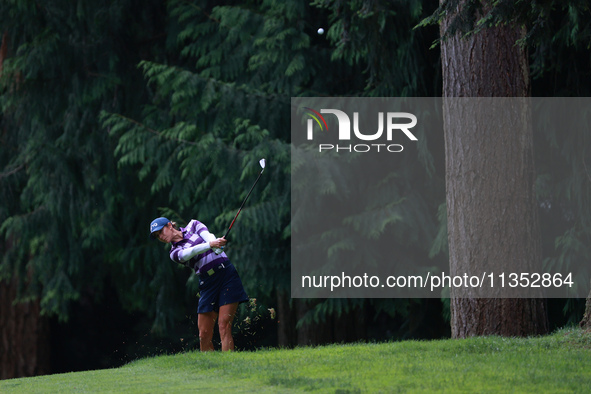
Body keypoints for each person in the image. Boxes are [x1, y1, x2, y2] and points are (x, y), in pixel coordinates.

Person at [149, 217, 249, 351]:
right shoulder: (174, 253)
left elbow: (208, 236)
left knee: (224, 325)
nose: (160, 237)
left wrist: (217, 245)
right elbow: (190, 252)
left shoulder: (193, 225)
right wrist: (211, 245)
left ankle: (229, 367)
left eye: (161, 232)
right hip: (207, 283)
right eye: (157, 236)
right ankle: (210, 370)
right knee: (204, 335)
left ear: (169, 225)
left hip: (226, 275)